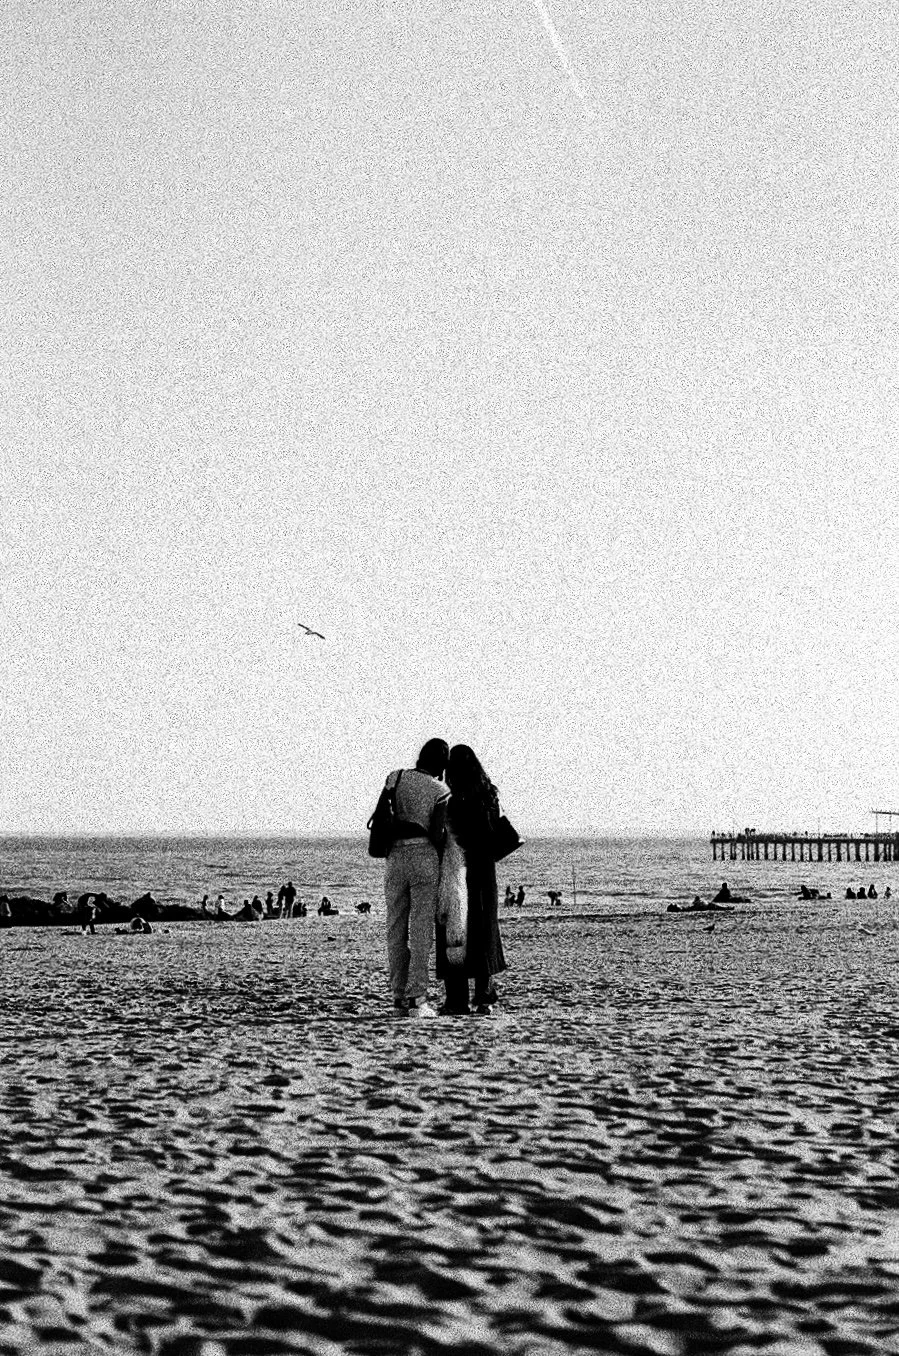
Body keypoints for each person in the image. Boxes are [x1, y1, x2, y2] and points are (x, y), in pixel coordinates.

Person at [436, 744, 509, 1016]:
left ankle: (456, 1000)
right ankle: (484, 997)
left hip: (457, 868)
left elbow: (445, 836)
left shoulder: (451, 801)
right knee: (483, 931)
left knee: (454, 931)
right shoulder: (489, 796)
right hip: (484, 869)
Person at [380, 738, 450, 1018]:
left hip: (395, 856)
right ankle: (417, 997)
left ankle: (398, 997)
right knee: (421, 931)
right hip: (424, 857)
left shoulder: (395, 778)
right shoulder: (440, 790)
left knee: (395, 928)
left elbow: (382, 815)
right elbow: (436, 833)